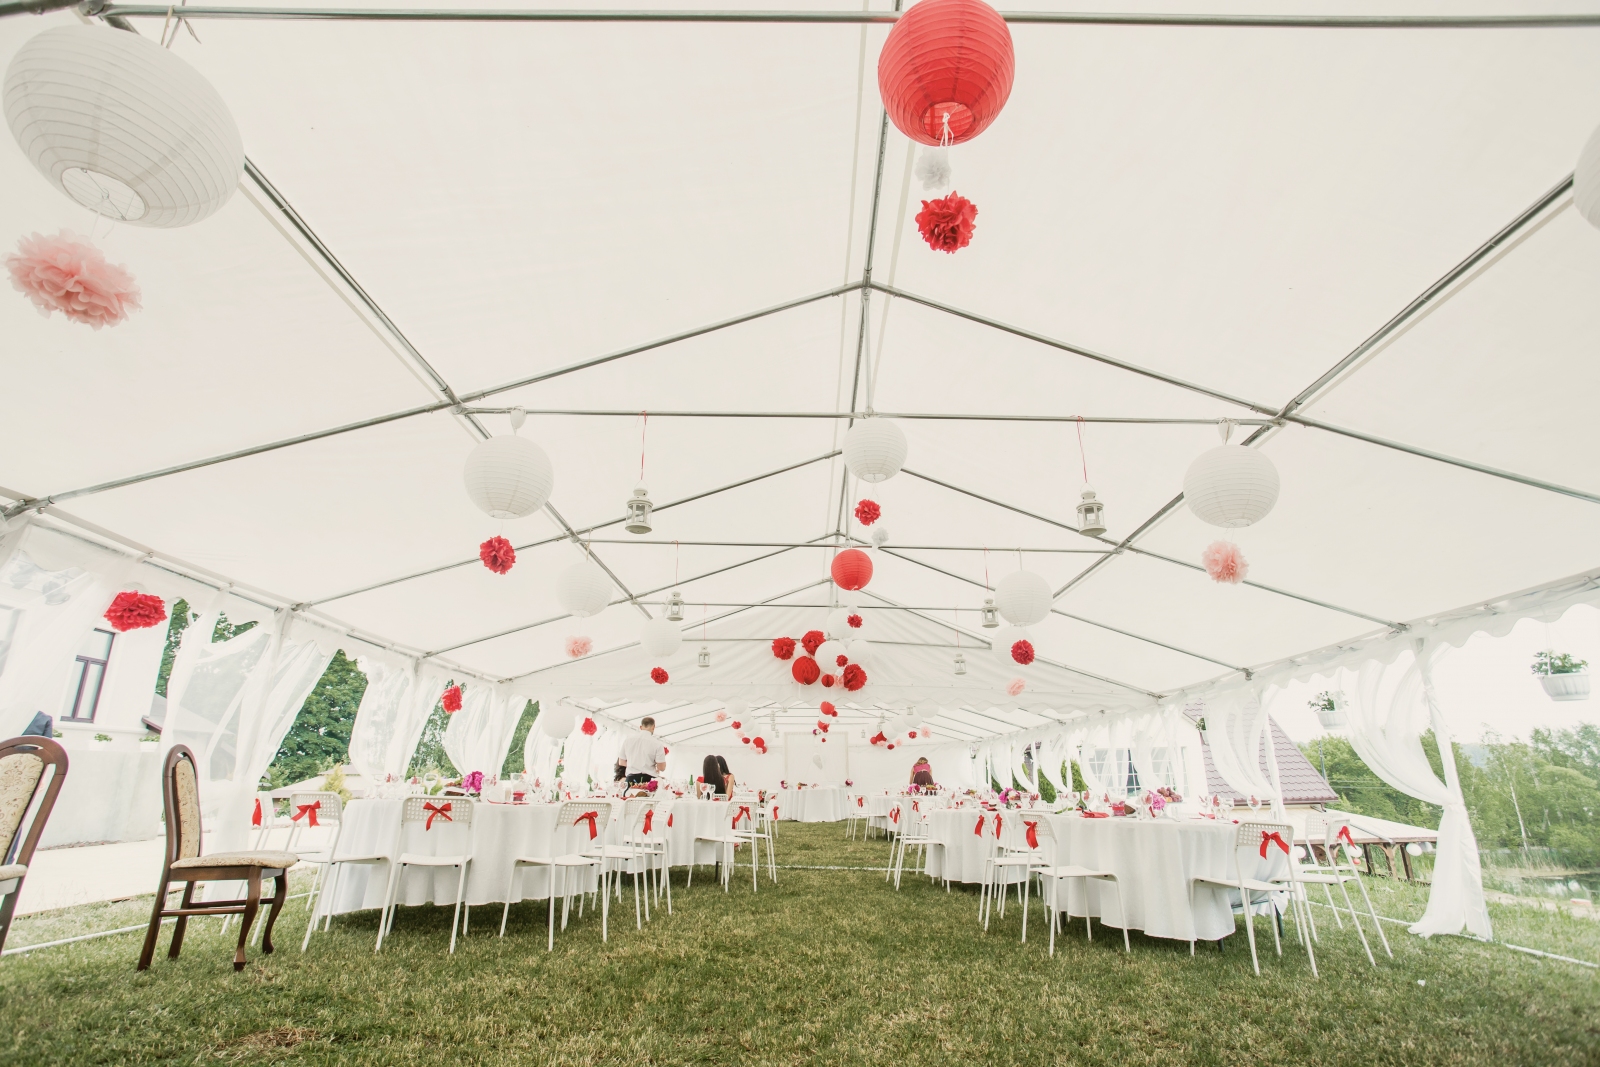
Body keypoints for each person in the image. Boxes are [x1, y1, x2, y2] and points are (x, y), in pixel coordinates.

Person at [619, 716, 666, 786]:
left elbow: (621, 762)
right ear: (653, 727)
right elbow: (661, 768)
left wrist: (634, 765)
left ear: (640, 727)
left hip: (631, 779)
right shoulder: (657, 744)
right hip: (649, 781)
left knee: (629, 793)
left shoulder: (628, 740)